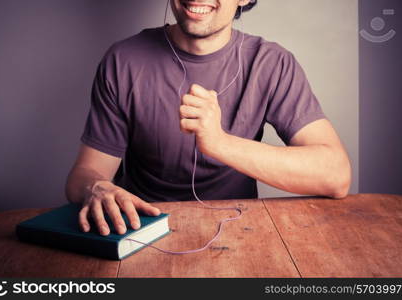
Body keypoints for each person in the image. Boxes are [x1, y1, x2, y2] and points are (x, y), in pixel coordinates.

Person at [65, 0, 351, 236]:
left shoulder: (271, 63)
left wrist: (219, 143)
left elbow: (335, 175)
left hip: (239, 231)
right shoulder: (123, 59)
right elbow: (83, 176)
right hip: (142, 231)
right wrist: (97, 188)